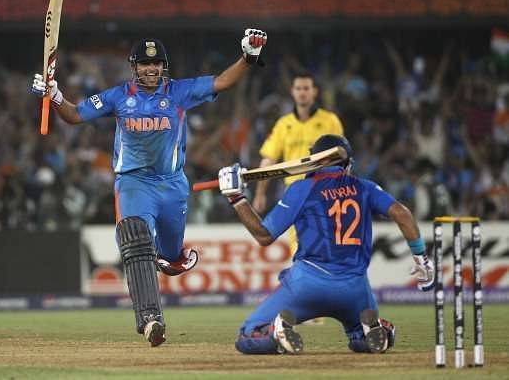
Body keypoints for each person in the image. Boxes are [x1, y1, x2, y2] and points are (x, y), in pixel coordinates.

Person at [31, 29, 268, 347]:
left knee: (170, 256)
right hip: (134, 183)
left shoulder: (179, 92)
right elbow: (74, 115)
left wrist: (248, 57)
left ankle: (174, 259)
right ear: (135, 67)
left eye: (156, 64)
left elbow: (222, 82)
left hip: (172, 186)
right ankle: (150, 320)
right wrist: (56, 96)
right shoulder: (118, 96)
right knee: (135, 237)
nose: (151, 69)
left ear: (163, 66)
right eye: (145, 64)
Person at [217, 134, 434, 354]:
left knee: (248, 335)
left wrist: (235, 196)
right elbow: (402, 213)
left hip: (308, 285)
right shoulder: (364, 187)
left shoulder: (301, 189)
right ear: (347, 164)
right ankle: (375, 330)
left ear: (313, 161)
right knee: (359, 340)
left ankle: (275, 331)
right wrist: (421, 259)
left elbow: (264, 236)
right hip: (355, 290)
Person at [252, 74, 344, 255]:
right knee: (298, 243)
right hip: (295, 191)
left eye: (306, 88)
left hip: (324, 190)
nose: (302, 93)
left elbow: (342, 157)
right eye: (299, 88)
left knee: (328, 240)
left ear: (314, 92)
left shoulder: (330, 121)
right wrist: (260, 193)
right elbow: (268, 160)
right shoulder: (283, 124)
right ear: (292, 92)